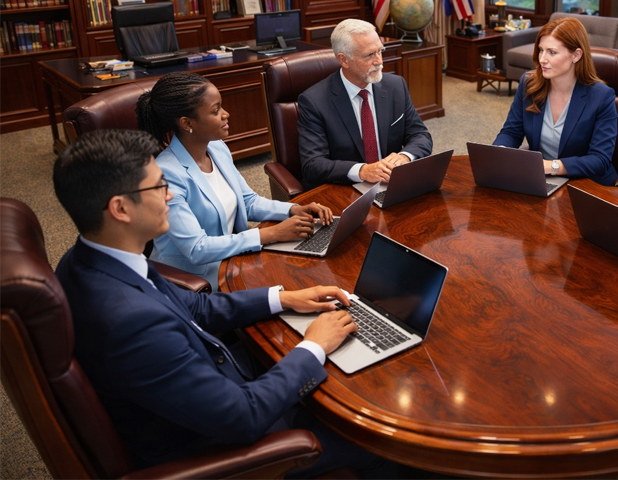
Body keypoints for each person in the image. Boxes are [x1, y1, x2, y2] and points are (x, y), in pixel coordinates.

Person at [51, 129, 387, 476]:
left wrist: (283, 298)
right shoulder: (131, 322)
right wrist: (314, 346)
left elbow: (196, 308)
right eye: (159, 187)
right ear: (120, 209)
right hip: (220, 451)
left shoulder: (87, 259)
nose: (170, 196)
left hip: (198, 395)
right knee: (376, 438)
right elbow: (244, 416)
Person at [137, 71, 333, 291]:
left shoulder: (217, 148)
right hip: (194, 279)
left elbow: (248, 201)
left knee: (311, 269)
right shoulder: (167, 173)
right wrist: (271, 234)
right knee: (293, 285)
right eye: (215, 110)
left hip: (235, 258)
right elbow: (197, 248)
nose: (226, 114)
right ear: (187, 122)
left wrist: (294, 209)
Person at [297, 18, 432, 190]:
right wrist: (362, 171)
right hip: (345, 188)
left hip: (390, 183)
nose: (379, 61)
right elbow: (313, 164)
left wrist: (405, 156)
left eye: (380, 51)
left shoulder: (396, 86)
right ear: (344, 60)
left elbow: (420, 135)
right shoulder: (314, 101)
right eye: (369, 55)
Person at [492, 17, 618, 185]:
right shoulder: (529, 83)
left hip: (586, 184)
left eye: (552, 52)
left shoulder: (601, 96)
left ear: (576, 55)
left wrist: (551, 166)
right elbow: (512, 132)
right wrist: (500, 151)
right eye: (541, 50)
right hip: (542, 179)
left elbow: (599, 160)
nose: (542, 59)